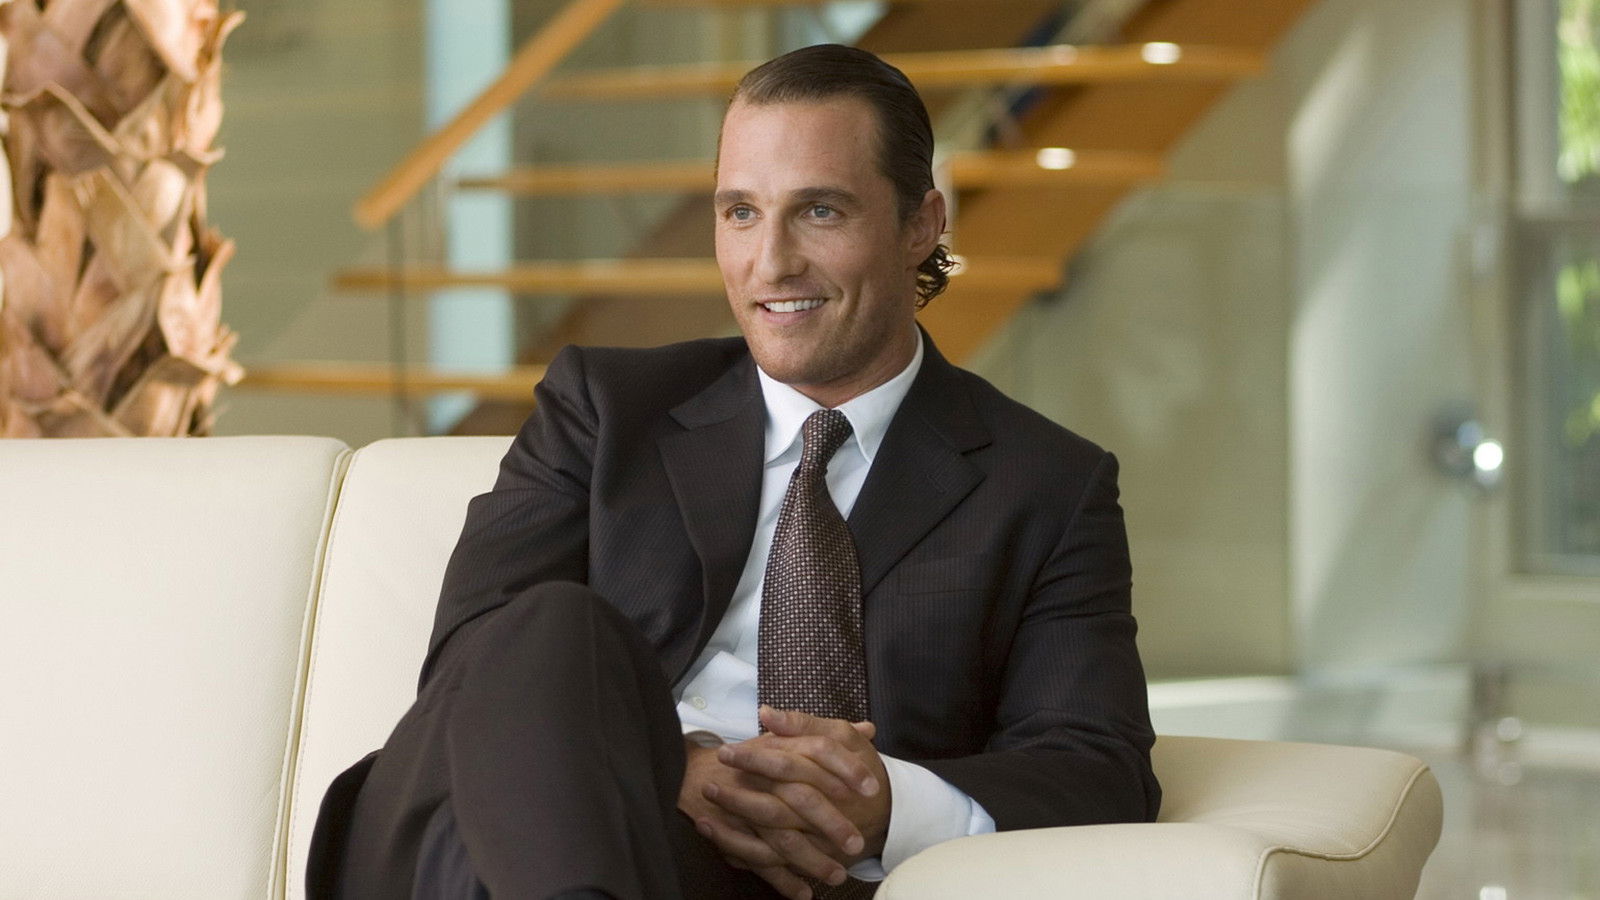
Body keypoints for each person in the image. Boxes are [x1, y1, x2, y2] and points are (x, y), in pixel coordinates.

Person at [308, 43, 1160, 900]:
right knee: (554, 627)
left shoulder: (1046, 485)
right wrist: (662, 761)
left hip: (758, 879)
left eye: (819, 211)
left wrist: (883, 801)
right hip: (548, 812)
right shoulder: (604, 408)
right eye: (741, 212)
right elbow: (478, 662)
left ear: (921, 225)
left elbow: (1097, 765)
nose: (771, 262)